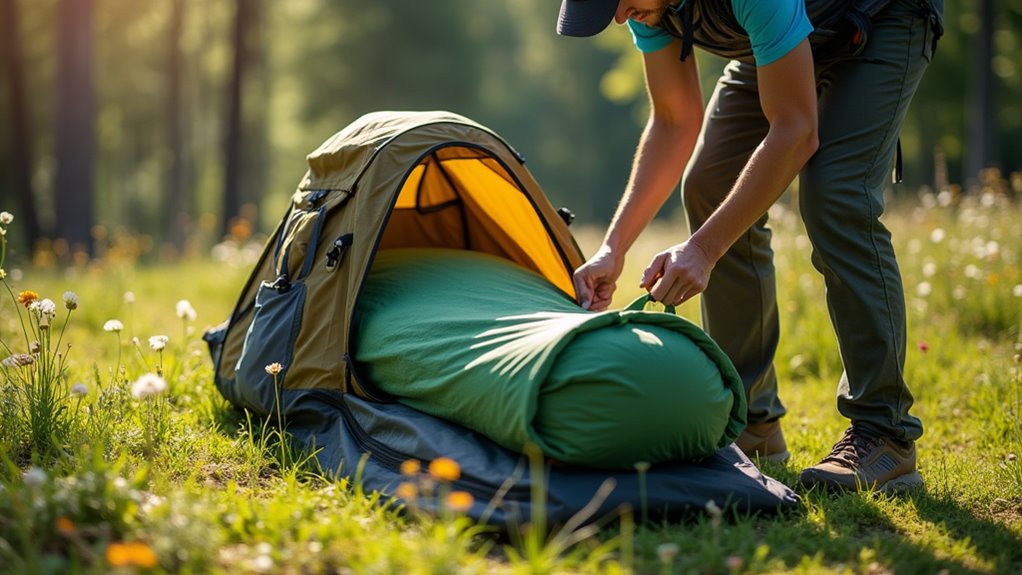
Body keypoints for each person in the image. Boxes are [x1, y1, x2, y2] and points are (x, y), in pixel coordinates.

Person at [557, 0, 943, 492]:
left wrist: (703, 250)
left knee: (836, 196)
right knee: (710, 183)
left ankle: (884, 432)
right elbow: (674, 121)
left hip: (877, 18)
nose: (619, 17)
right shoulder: (647, 8)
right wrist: (613, 248)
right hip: (789, 39)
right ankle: (753, 422)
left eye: (619, 1)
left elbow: (796, 130)